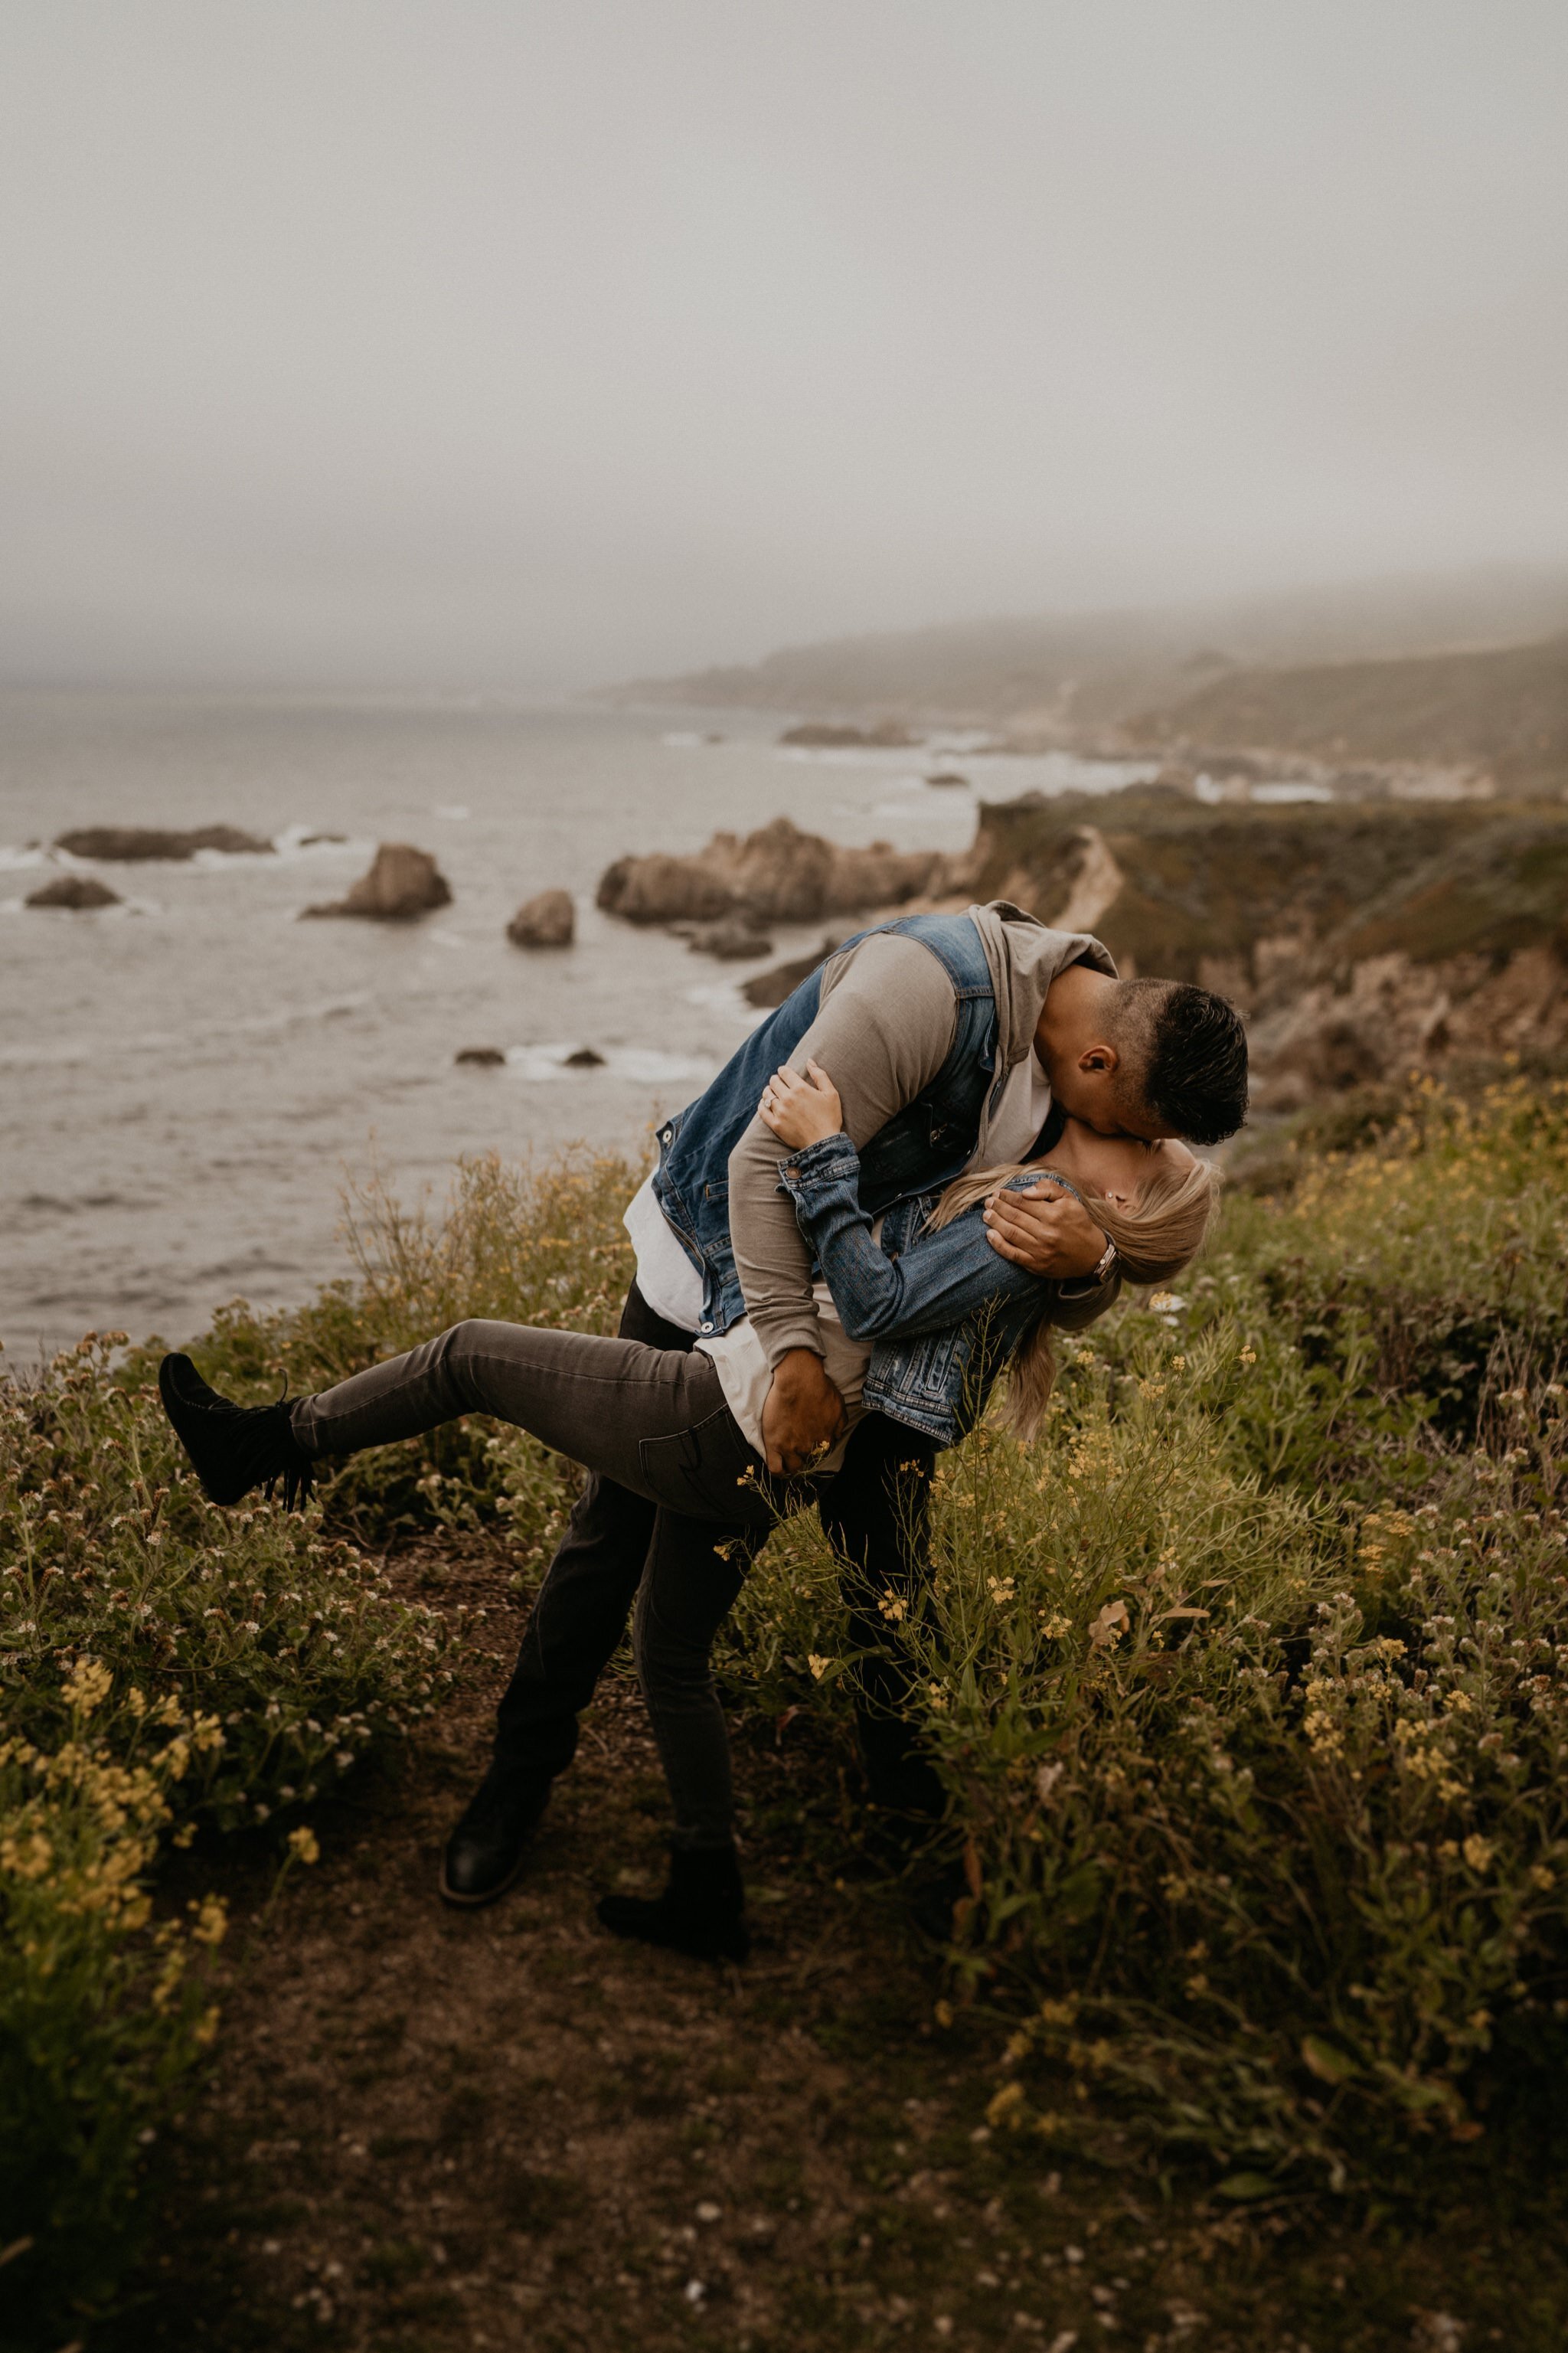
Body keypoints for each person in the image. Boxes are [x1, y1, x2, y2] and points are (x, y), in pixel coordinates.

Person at [158, 1060, 1217, 1962]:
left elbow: (882, 1295)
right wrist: (1105, 1263)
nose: (1138, 1131)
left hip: (719, 1417)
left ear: (1125, 1209)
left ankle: (267, 1443)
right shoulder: (1046, 1216)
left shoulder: (1023, 1231)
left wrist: (820, 1147)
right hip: (774, 1445)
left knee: (472, 1351)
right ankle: (708, 1884)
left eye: (1153, 1158)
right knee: (669, 1649)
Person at [420, 900, 1244, 1910]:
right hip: (721, 1267)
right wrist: (794, 1353)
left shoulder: (1089, 1064)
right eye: (1138, 1130)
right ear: (1102, 1065)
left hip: (869, 1343)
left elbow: (1083, 1234)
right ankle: (519, 1774)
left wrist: (1096, 1262)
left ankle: (912, 1839)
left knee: (892, 1572)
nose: (1134, 1148)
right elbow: (759, 1164)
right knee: (613, 1529)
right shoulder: (926, 986)